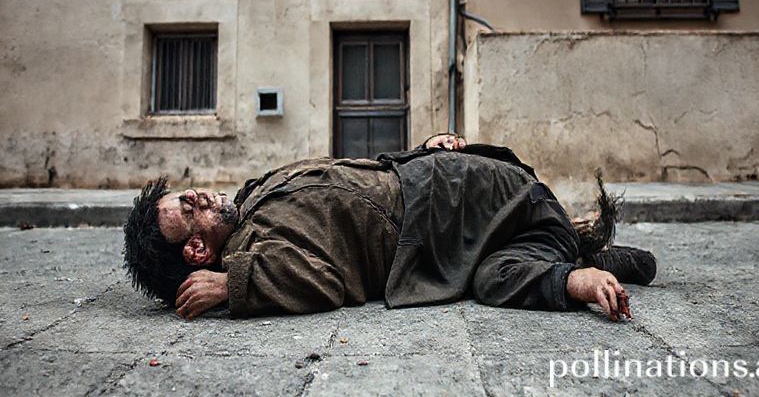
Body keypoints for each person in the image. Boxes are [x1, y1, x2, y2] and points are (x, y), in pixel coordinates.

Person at [123, 134, 656, 321]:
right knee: (492, 277)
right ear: (196, 250)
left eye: (185, 193)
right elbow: (322, 281)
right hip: (459, 226)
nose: (197, 195)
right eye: (187, 209)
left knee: (495, 274)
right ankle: (579, 268)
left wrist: (423, 149)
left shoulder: (255, 193)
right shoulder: (253, 249)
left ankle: (574, 252)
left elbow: (359, 176)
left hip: (469, 193)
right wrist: (231, 284)